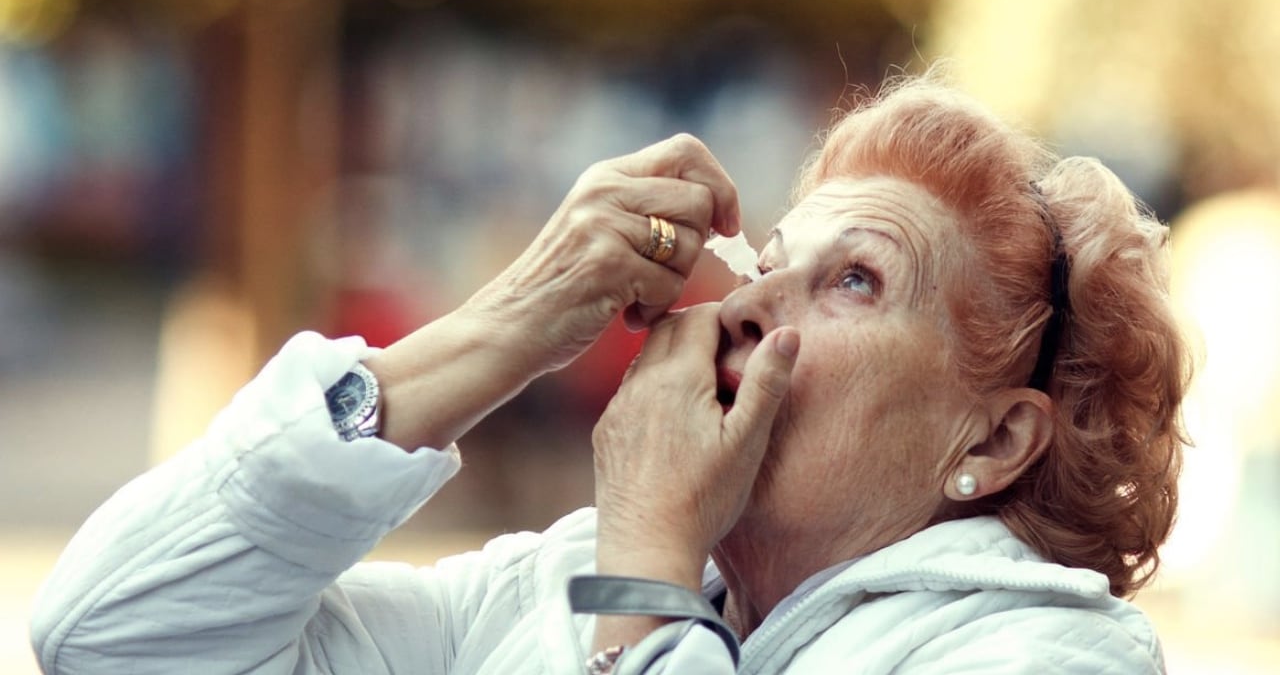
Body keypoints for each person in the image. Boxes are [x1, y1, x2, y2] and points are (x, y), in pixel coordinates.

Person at [30, 75, 1190, 674]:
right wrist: (514, 319)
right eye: (770, 260)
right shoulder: (548, 592)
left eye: (852, 282)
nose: (742, 303)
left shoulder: (1043, 656)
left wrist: (640, 582)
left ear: (988, 442)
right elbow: (113, 638)